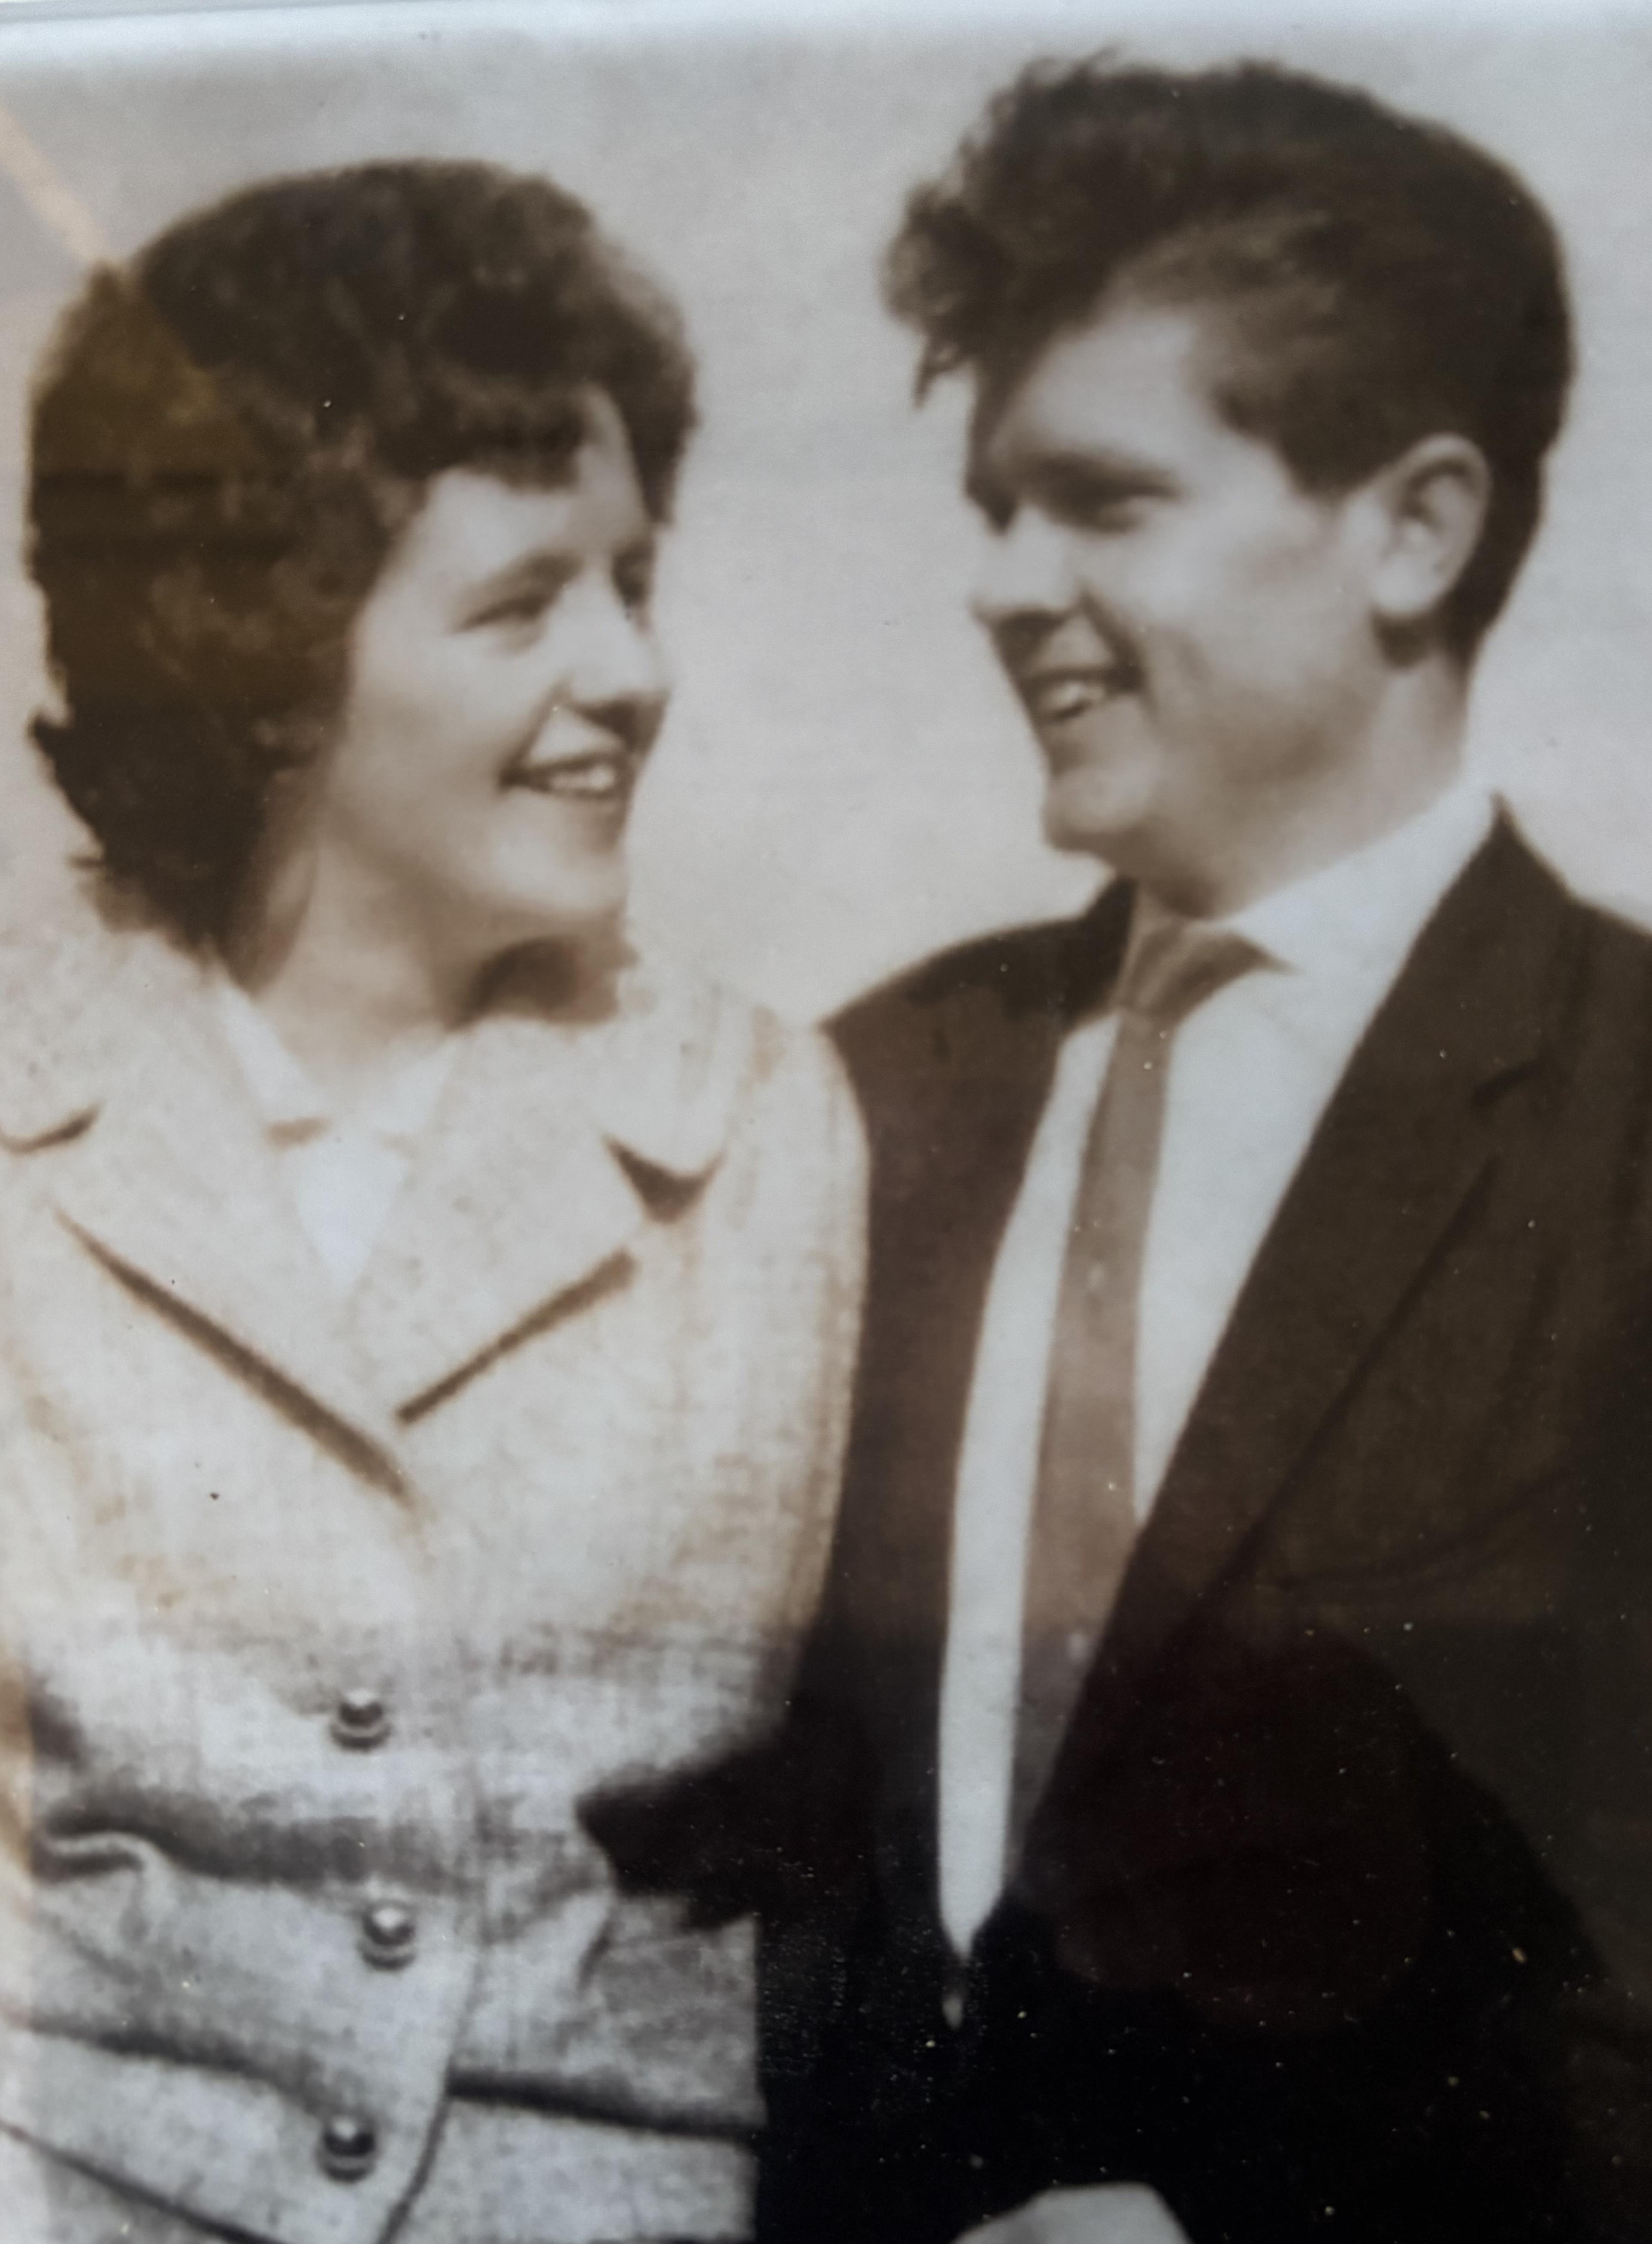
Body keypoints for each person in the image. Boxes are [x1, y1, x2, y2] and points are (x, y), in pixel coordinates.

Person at [759, 57, 1652, 2244]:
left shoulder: (1631, 1116)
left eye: (1102, 499)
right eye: (994, 507)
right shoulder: (870, 1088)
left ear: (1417, 529)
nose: (1003, 584)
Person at [0, 160, 864, 2244]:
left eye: (634, 580)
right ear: (269, 662)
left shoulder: (755, 1128)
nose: (632, 670)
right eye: (522, 602)